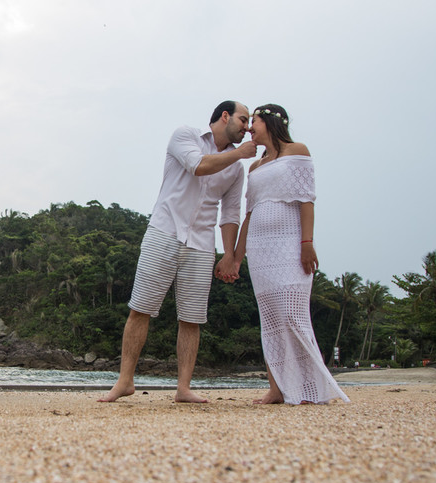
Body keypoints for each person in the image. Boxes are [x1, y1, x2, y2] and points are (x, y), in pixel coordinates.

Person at [100, 101, 257, 403]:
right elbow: (197, 166)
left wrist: (228, 255)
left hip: (201, 244)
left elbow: (230, 213)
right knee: (140, 308)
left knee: (192, 318)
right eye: (243, 119)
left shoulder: (236, 170)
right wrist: (239, 153)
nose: (248, 127)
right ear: (225, 116)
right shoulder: (186, 135)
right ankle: (124, 381)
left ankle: (183, 388)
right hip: (164, 231)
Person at [228, 104, 349, 405]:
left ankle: (310, 389)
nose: (249, 129)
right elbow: (249, 215)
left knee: (293, 314)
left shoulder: (298, 150)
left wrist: (307, 242)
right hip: (259, 248)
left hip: (290, 244)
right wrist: (235, 257)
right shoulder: (254, 167)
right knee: (270, 319)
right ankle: (277, 389)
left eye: (253, 122)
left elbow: (306, 200)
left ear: (268, 122)